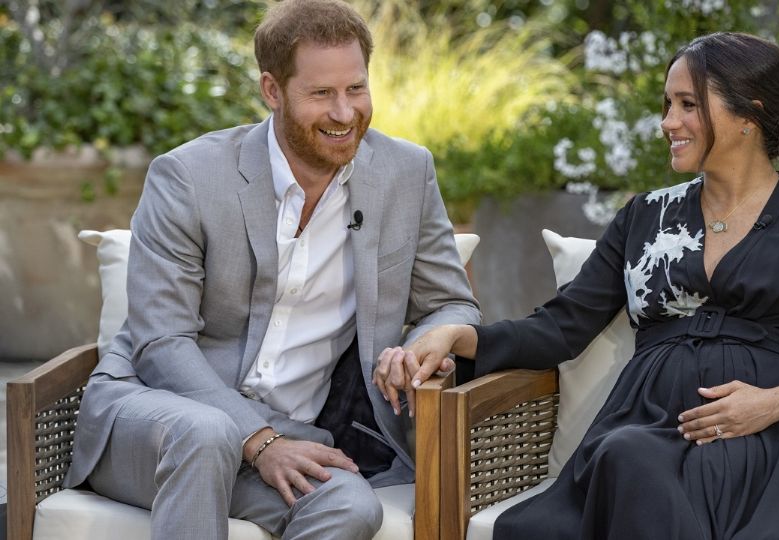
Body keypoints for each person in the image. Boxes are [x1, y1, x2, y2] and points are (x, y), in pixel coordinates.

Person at [376, 32, 779, 538]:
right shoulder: (647, 216)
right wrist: (456, 336)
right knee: (625, 457)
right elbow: (561, 328)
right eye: (668, 105)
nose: (668, 121)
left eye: (688, 104)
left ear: (748, 115)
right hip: (643, 425)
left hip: (758, 438)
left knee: (628, 462)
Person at [62, 1, 480, 538]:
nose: (346, 113)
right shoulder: (188, 177)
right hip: (156, 422)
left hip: (292, 432)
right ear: (271, 90)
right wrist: (259, 441)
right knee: (208, 432)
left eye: (356, 89)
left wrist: (426, 342)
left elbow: (450, 301)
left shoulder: (406, 172)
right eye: (321, 94)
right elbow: (160, 343)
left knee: (350, 507)